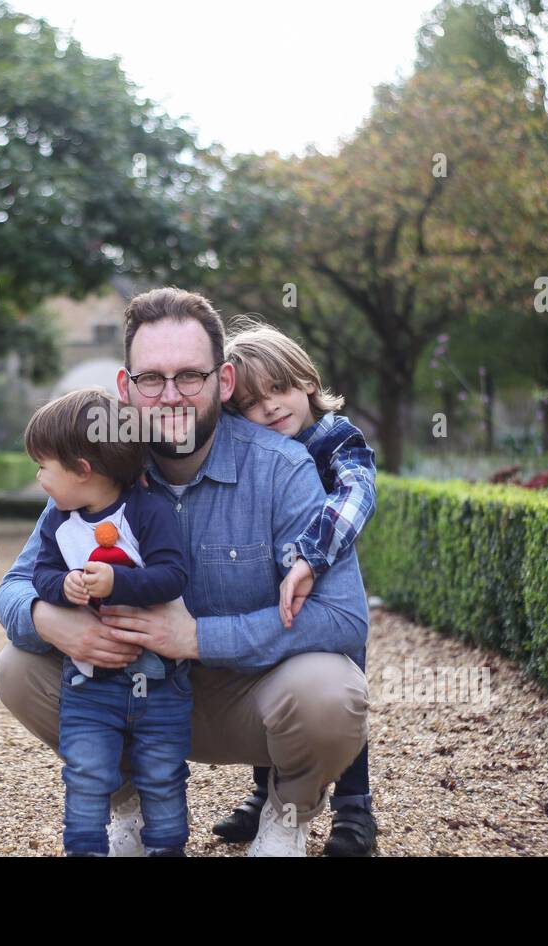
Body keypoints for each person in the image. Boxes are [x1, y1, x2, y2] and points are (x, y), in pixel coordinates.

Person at [0, 287, 370, 857]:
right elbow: (14, 588)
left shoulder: (283, 468)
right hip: (128, 692)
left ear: (222, 382)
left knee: (332, 691)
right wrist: (51, 621)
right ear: (126, 387)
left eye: (190, 376)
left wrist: (197, 636)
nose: (170, 396)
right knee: (17, 667)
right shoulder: (97, 467)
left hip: (252, 698)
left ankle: (288, 814)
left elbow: (344, 619)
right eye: (151, 379)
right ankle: (130, 803)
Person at [215, 315, 379, 856]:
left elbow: (355, 495)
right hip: (272, 588)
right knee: (272, 687)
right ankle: (266, 796)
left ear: (306, 380)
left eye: (279, 389)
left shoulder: (335, 438)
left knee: (342, 692)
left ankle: (355, 813)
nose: (270, 408)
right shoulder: (253, 455)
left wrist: (310, 554)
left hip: (331, 594)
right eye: (250, 405)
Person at [24, 387, 191, 856]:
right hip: (90, 685)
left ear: (82, 469)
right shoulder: (60, 523)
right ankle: (85, 847)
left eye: (44, 467)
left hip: (159, 683)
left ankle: (166, 846)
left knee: (163, 774)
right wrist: (64, 589)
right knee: (85, 773)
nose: (39, 479)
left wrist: (116, 581)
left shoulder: (148, 511)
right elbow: (41, 573)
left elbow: (171, 576)